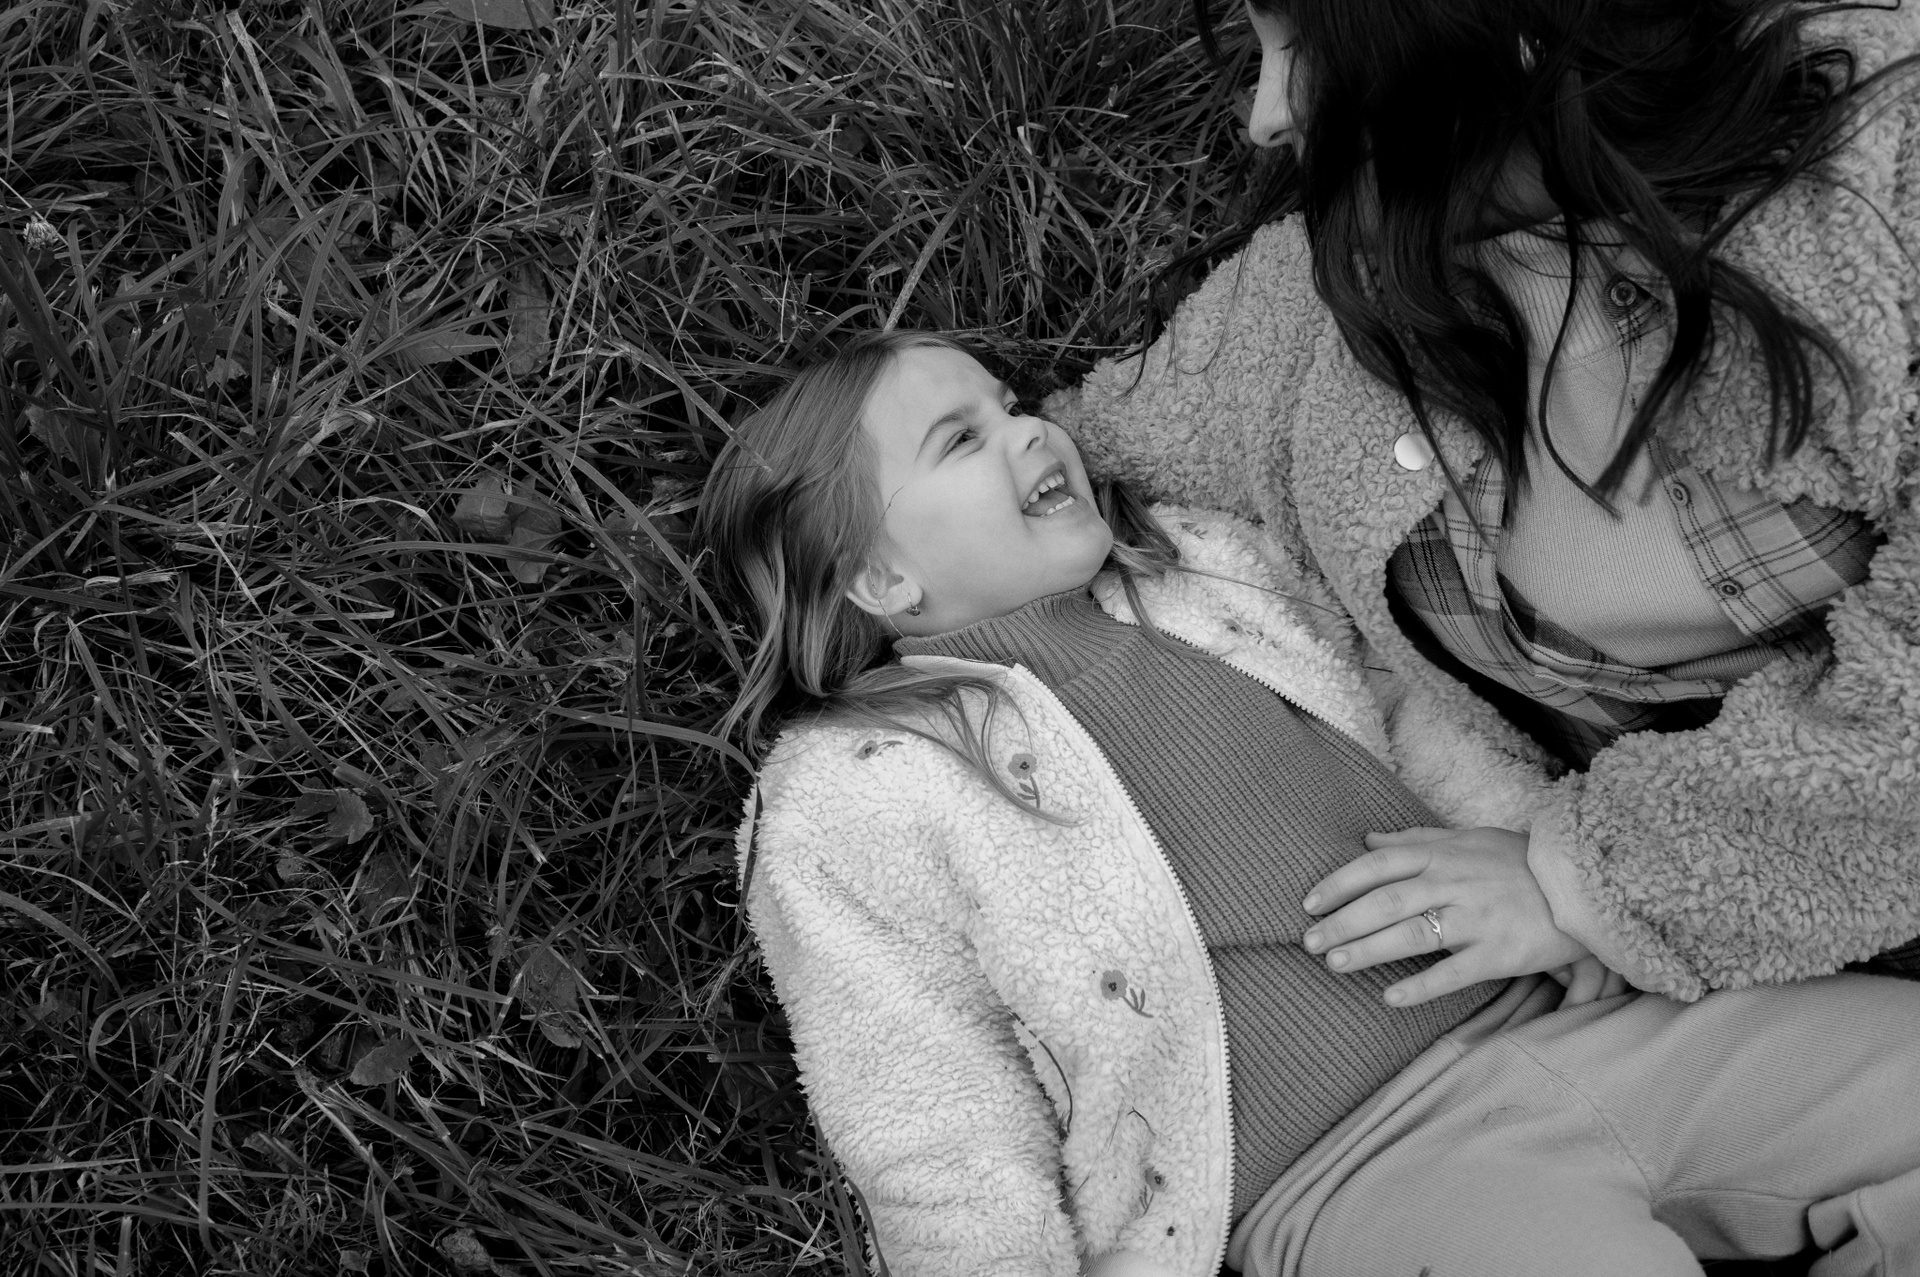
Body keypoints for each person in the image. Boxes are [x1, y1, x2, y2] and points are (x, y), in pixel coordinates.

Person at [701, 329, 1920, 1277]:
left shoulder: (1205, 567)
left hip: (1579, 1027)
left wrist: (1565, 888)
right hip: (1364, 1169)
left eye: (1012, 403)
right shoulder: (850, 795)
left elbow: (1418, 719)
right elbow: (923, 1095)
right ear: (880, 575)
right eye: (962, 439)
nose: (1031, 431)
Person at [1045, 0, 1920, 1003]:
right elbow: (1040, 471)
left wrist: (1592, 879)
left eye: (1304, 46)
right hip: (1729, 1020)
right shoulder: (1307, 312)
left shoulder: (1880, 177)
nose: (1266, 118)